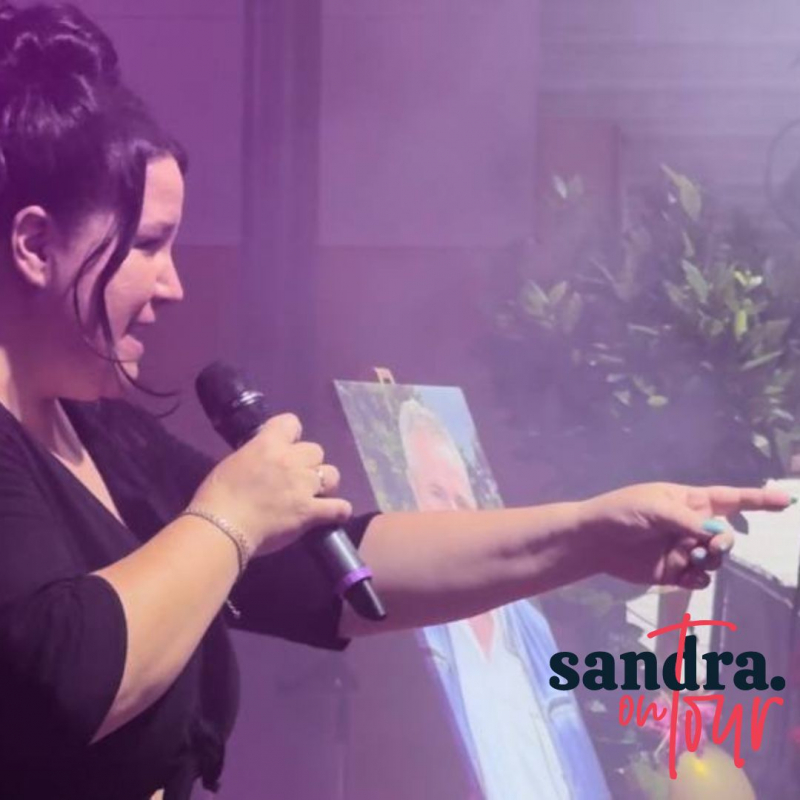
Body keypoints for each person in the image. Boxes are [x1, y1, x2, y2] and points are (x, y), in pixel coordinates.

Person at [0, 4, 791, 800]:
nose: (173, 285)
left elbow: (325, 574)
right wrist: (230, 518)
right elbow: (63, 681)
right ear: (34, 245)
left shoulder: (99, 429)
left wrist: (588, 533)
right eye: (146, 245)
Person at [398, 398, 607, 799]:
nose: (452, 514)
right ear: (413, 489)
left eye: (462, 500)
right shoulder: (417, 626)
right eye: (437, 493)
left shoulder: (528, 625)